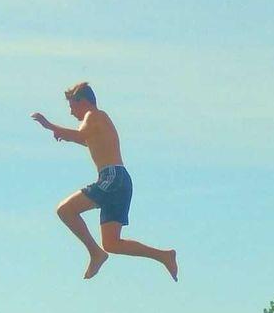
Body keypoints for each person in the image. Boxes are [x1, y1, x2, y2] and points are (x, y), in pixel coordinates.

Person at [31, 82, 177, 281]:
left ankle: (95, 253)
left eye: (72, 107)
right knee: (112, 244)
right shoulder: (98, 122)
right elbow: (86, 140)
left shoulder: (94, 116)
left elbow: (80, 135)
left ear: (82, 101)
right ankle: (163, 256)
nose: (71, 113)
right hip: (121, 181)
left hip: (112, 177)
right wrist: (65, 135)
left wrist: (49, 126)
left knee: (65, 210)